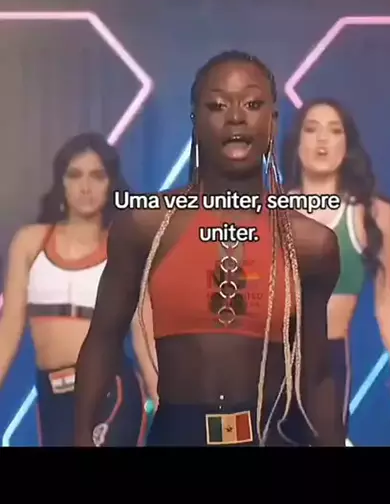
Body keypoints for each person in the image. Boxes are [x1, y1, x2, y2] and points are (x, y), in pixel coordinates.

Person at [74, 51, 346, 447]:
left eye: (252, 104)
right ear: (195, 121)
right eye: (217, 105)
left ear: (273, 121)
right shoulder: (145, 227)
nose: (235, 117)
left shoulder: (310, 245)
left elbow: (317, 375)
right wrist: (81, 436)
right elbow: (103, 339)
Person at [0, 133, 153, 446]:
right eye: (75, 175)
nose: (85, 187)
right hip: (52, 399)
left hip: (111, 392)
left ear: (111, 184)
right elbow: (9, 329)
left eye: (97, 176)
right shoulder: (30, 243)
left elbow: (143, 332)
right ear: (62, 182)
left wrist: (162, 396)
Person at [282, 98, 390, 435]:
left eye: (334, 131)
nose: (322, 139)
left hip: (328, 366)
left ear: (347, 146)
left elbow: (385, 301)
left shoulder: (374, 215)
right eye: (311, 129)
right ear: (297, 142)